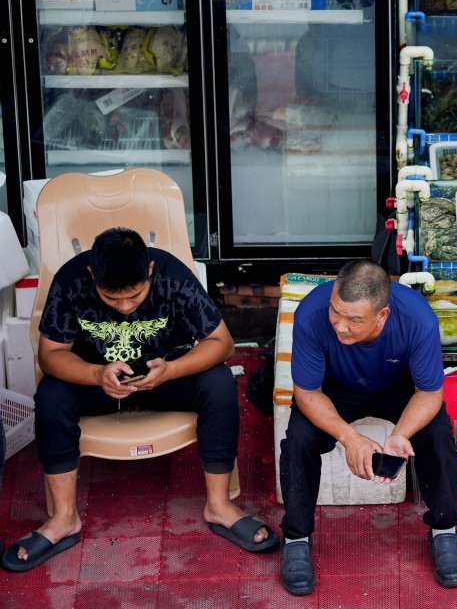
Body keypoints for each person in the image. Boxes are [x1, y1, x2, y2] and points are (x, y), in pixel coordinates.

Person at [1, 227, 278, 572]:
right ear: (92, 275)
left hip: (163, 378)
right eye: (112, 298)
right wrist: (95, 375)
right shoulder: (72, 279)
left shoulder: (170, 273)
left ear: (148, 271)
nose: (125, 306)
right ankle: (64, 518)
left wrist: (173, 370)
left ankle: (219, 506)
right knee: (52, 395)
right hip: (99, 383)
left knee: (219, 383)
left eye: (134, 295)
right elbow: (51, 354)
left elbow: (222, 343)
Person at [278, 260, 457, 596]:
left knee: (437, 434)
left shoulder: (417, 319)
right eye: (336, 312)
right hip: (333, 389)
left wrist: (401, 434)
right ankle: (296, 536)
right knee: (298, 440)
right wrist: (349, 438)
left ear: (382, 315)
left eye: (354, 320)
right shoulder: (311, 315)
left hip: (398, 388)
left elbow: (429, 392)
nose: (340, 326)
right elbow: (307, 392)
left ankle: (444, 529)